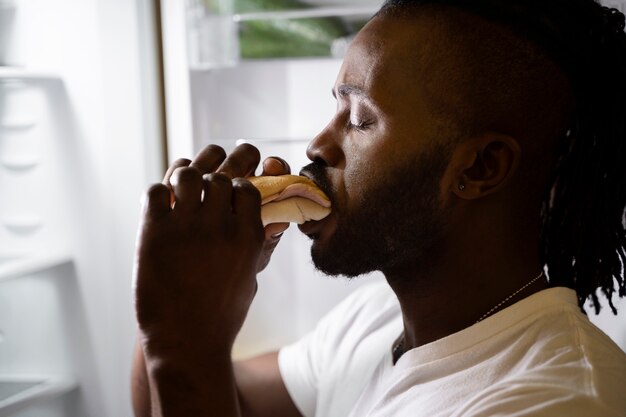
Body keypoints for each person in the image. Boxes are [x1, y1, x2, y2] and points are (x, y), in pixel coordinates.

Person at [131, 0, 626, 415]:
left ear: (479, 168)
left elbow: (185, 371)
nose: (318, 145)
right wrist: (176, 290)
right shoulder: (374, 323)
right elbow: (186, 391)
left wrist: (181, 339)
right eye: (337, 108)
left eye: (361, 118)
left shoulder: (557, 398)